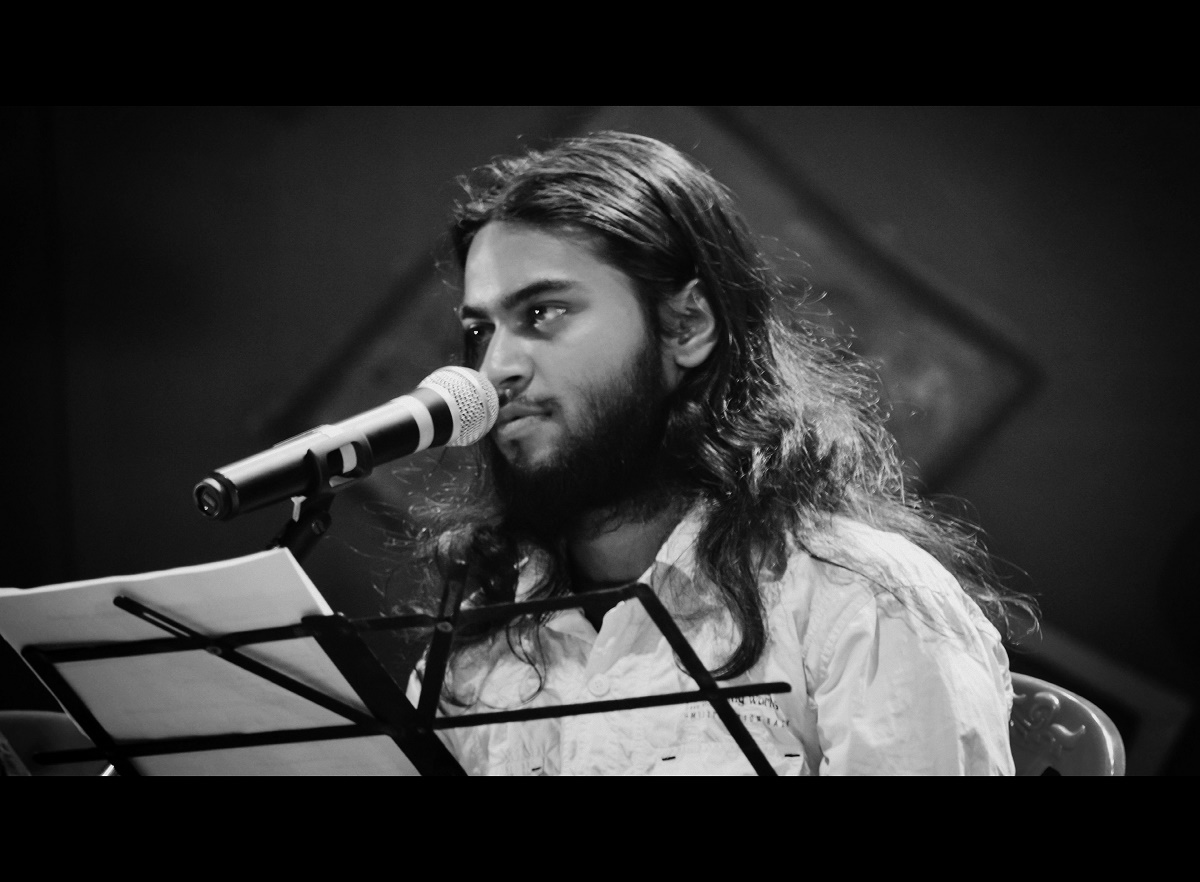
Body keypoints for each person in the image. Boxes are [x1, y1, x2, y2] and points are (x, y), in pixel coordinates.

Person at [402, 130, 1038, 775]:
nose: (495, 368)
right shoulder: (474, 651)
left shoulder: (861, 602)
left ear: (687, 326)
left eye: (543, 312)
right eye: (479, 330)